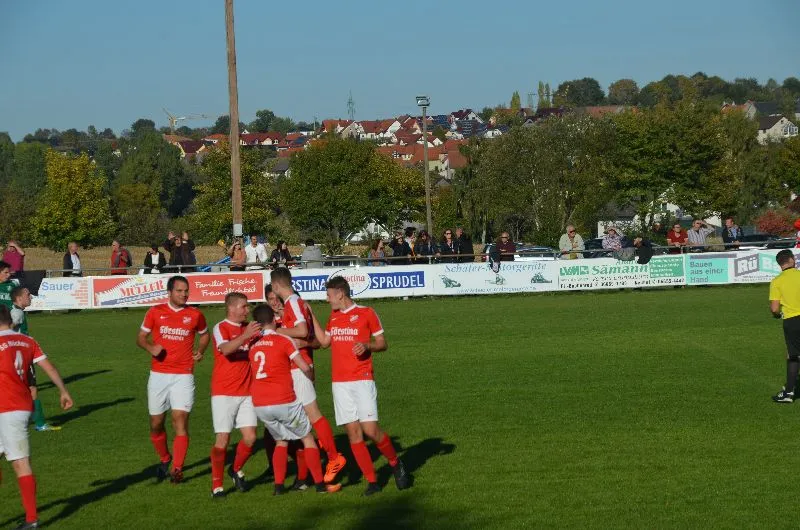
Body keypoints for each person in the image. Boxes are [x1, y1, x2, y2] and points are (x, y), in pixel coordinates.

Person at [310, 276, 409, 496]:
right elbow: (324, 342)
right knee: (354, 435)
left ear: (340, 293)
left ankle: (395, 463)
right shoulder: (333, 317)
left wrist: (367, 346)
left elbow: (382, 343)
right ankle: (372, 482)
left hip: (362, 380)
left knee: (370, 430)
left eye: (329, 295)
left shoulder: (367, 313)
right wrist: (311, 316)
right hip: (340, 384)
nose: (327, 299)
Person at [248, 304, 341, 495]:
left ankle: (279, 487)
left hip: (259, 403)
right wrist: (311, 376)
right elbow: (303, 366)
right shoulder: (283, 340)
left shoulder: (253, 344)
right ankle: (320, 486)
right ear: (274, 320)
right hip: (282, 400)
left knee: (281, 441)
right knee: (308, 439)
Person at [270, 268, 346, 484]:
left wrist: (276, 332)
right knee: (301, 420)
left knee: (312, 414)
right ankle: (310, 469)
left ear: (276, 286)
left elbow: (303, 331)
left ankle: (333, 457)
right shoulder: (293, 304)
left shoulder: (293, 302)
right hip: (296, 366)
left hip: (299, 367)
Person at [0, 305, 73, 530]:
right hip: (20, 405)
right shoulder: (27, 340)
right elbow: (48, 367)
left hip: (8, 408)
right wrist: (63, 391)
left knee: (20, 463)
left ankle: (32, 520)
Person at [136, 275, 210, 483]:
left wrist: (200, 350)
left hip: (183, 375)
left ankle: (177, 469)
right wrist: (151, 347)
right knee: (156, 423)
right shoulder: (155, 312)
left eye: (186, 291)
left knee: (180, 420)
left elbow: (205, 335)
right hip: (158, 375)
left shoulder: (195, 314)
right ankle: (165, 458)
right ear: (169, 292)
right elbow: (140, 337)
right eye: (179, 291)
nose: (184, 294)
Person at [209, 292, 262, 498]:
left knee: (250, 438)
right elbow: (226, 350)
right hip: (224, 392)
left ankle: (235, 468)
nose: (247, 310)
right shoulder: (221, 328)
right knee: (223, 439)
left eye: (248, 306)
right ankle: (217, 486)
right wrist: (246, 336)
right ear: (231, 308)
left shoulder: (249, 328)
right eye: (244, 306)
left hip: (247, 391)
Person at [10, 286, 57, 433]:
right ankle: (40, 423)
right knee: (31, 389)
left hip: (16, 356)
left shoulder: (16, 311)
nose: (30, 297)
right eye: (28, 295)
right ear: (19, 298)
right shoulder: (17, 313)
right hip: (21, 357)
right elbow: (8, 329)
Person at [770, 250, 800, 402]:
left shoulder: (777, 281)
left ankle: (788, 393)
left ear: (779, 264)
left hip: (792, 321)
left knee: (793, 356)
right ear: (792, 260)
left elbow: (775, 308)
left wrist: (777, 314)